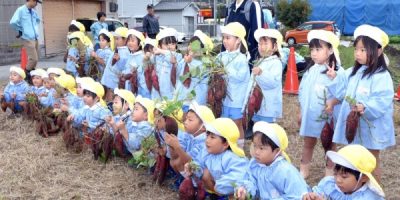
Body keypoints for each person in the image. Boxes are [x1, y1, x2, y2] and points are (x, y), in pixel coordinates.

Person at [328, 24, 395, 181]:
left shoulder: (381, 76)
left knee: (371, 159)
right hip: (355, 125)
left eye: (363, 50)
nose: (357, 53)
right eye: (356, 49)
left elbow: (382, 99)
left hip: (372, 127)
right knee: (355, 157)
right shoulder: (354, 71)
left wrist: (366, 107)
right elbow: (342, 88)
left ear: (378, 51)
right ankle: (357, 188)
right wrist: (335, 77)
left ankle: (374, 191)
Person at [298, 30, 344, 178]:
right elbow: (302, 91)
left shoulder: (338, 71)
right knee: (308, 142)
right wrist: (301, 110)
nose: (314, 53)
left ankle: (330, 171)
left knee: (330, 145)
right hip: (310, 115)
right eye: (312, 49)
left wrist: (335, 78)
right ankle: (304, 168)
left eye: (318, 49)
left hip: (327, 117)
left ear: (330, 50)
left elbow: (342, 94)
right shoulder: (311, 70)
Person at [235, 122, 309, 199]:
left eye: (261, 148)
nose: (256, 151)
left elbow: (297, 195)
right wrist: (245, 191)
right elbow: (251, 181)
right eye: (255, 146)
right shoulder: (255, 164)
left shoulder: (285, 171)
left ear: (277, 151)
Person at [184, 118, 248, 198]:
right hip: (214, 189)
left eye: (212, 137)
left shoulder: (232, 158)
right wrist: (193, 167)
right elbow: (199, 162)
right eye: (207, 136)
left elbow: (238, 176)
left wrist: (219, 186)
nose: (207, 140)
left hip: (227, 193)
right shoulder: (206, 152)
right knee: (205, 174)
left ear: (225, 144)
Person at [303, 145, 385, 200]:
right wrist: (311, 196)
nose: (338, 180)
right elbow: (318, 193)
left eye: (344, 177)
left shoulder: (368, 197)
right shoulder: (329, 184)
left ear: (363, 177)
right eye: (335, 174)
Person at [218, 22, 250, 147]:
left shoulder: (242, 59)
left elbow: (240, 77)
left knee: (237, 123)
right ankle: (229, 145)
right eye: (224, 38)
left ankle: (240, 148)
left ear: (238, 40)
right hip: (225, 99)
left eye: (228, 38)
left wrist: (225, 70)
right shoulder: (221, 56)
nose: (225, 41)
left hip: (237, 99)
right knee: (226, 123)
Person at [243, 28, 283, 124]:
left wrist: (261, 73)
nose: (262, 47)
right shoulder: (260, 61)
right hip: (257, 106)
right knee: (257, 131)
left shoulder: (276, 63)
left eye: (265, 44)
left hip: (268, 108)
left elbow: (273, 83)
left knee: (266, 132)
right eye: (260, 44)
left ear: (275, 47)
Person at [174, 30, 214, 112]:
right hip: (182, 100)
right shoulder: (185, 60)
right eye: (190, 44)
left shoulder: (205, 63)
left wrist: (189, 62)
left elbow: (196, 75)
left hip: (195, 103)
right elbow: (178, 75)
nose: (192, 47)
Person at [224, 0, 264, 67]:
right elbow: (225, 34)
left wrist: (254, 64)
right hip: (230, 62)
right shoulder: (230, 8)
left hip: (248, 62)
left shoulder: (253, 6)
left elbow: (258, 37)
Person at [10, 0, 42, 80]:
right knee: (33, 59)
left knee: (36, 58)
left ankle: (31, 76)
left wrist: (34, 28)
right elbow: (13, 22)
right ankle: (25, 75)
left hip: (35, 37)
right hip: (27, 38)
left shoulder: (33, 12)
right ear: (31, 0)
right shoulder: (21, 10)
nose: (36, 4)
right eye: (35, 2)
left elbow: (37, 20)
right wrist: (21, 30)